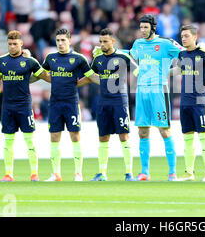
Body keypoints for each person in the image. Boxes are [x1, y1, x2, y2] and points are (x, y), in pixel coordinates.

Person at [0, 30, 51, 182]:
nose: (12, 46)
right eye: (10, 44)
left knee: (30, 140)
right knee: (8, 142)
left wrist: (63, 81)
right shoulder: (2, 61)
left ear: (21, 44)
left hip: (24, 107)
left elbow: (45, 77)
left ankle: (34, 174)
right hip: (7, 107)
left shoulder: (30, 62)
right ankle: (8, 174)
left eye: (15, 44)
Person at [129, 14, 183, 181]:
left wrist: (173, 71)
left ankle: (172, 172)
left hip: (160, 90)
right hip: (141, 91)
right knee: (142, 131)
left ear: (153, 27)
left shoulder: (166, 43)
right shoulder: (138, 44)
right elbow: (129, 56)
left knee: (164, 131)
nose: (143, 30)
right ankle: (145, 172)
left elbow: (185, 56)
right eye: (141, 27)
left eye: (146, 27)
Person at [80, 28, 138, 181]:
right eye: (100, 42)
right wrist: (75, 83)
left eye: (105, 41)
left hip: (120, 101)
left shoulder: (123, 57)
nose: (102, 44)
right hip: (103, 102)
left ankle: (128, 173)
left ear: (113, 41)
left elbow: (137, 71)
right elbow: (91, 76)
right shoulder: (98, 59)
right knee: (103, 137)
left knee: (124, 136)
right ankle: (102, 173)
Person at [41, 28, 96, 182]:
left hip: (71, 102)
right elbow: (41, 73)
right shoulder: (50, 58)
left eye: (63, 40)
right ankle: (55, 174)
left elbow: (90, 76)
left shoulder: (79, 58)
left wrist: (76, 83)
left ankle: (78, 173)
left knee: (75, 136)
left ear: (70, 41)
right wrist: (54, 80)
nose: (60, 43)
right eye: (58, 40)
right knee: (54, 136)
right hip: (55, 103)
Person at [171, 25, 205, 182]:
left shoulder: (204, 53)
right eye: (182, 36)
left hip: (199, 100)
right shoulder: (183, 54)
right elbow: (177, 71)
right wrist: (160, 71)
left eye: (186, 36)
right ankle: (189, 173)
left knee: (203, 137)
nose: (183, 38)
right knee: (187, 138)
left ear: (195, 37)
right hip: (185, 100)